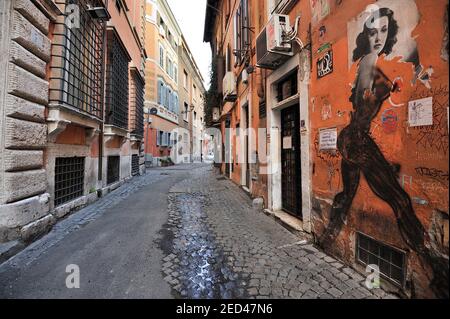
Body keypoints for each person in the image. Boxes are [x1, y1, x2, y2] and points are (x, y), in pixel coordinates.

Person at [319, 8, 448, 298]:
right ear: (365, 35)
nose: (379, 36)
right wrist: (386, 89)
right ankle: (434, 270)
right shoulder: (368, 62)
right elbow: (365, 105)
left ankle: (326, 239)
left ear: (389, 32)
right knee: (400, 198)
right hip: (357, 140)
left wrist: (391, 88)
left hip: (351, 139)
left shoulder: (372, 63)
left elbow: (369, 99)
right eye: (373, 31)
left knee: (347, 194)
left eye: (384, 30)